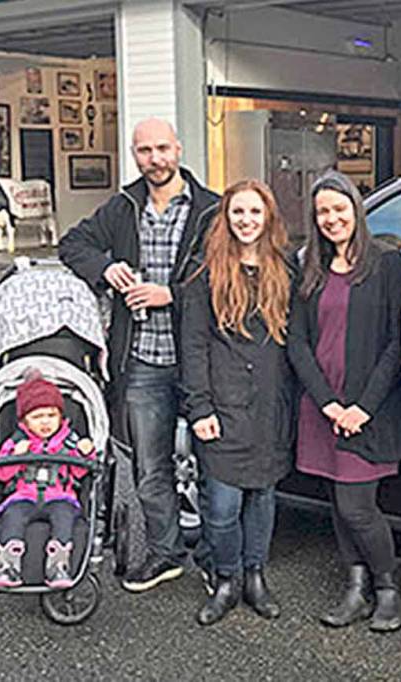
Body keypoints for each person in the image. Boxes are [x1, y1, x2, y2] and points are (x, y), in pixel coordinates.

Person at [58, 118, 221, 592]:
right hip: (143, 360)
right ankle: (166, 553)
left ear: (179, 149)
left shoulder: (211, 209)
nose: (155, 158)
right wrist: (106, 267)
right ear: (135, 155)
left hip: (203, 361)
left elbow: (230, 276)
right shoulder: (124, 205)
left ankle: (217, 559)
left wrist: (172, 294)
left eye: (163, 148)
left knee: (214, 470)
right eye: (145, 150)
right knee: (150, 469)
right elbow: (73, 244)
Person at [287, 170, 401, 632]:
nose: (331, 218)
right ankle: (356, 589)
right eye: (322, 212)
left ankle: (387, 589)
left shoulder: (387, 264)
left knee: (357, 505)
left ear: (356, 210)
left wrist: (363, 408)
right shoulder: (311, 268)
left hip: (369, 411)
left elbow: (397, 344)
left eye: (339, 208)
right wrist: (327, 403)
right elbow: (297, 342)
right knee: (338, 504)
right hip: (323, 408)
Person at [180, 178, 295, 626]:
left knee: (263, 496)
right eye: (238, 212)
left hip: (269, 403)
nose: (247, 221)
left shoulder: (285, 268)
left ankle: (255, 576)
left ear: (268, 217)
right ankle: (225, 578)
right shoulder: (204, 273)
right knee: (223, 505)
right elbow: (193, 347)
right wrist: (199, 407)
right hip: (222, 404)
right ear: (225, 218)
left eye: (255, 212)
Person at [0, 371, 96, 589]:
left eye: (51, 415)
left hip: (59, 496)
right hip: (24, 496)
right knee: (13, 517)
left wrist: (85, 453)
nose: (45, 422)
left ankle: (58, 566)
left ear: (60, 417)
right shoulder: (16, 442)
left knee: (64, 517)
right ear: (24, 421)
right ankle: (8, 566)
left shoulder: (69, 441)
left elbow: (79, 473)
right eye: (37, 417)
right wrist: (15, 456)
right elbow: (1, 475)